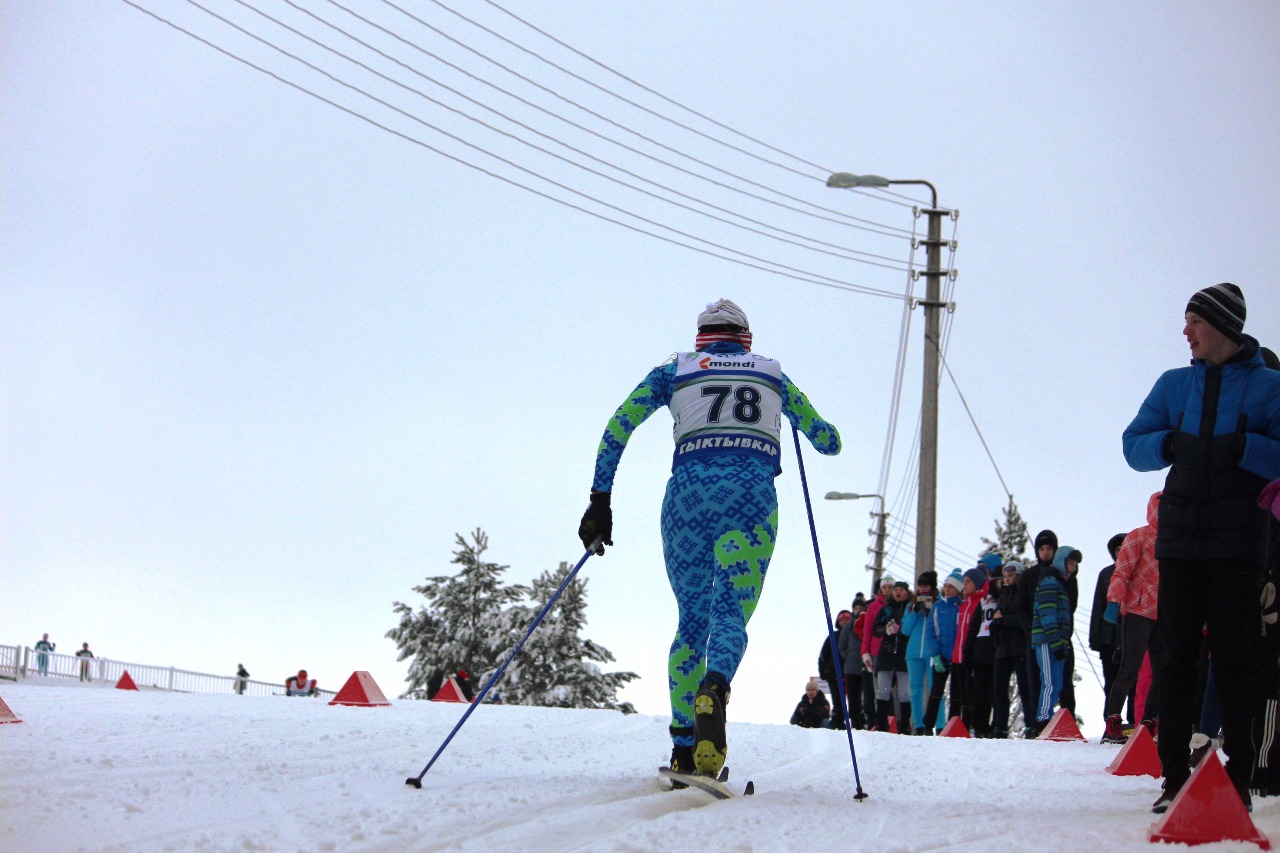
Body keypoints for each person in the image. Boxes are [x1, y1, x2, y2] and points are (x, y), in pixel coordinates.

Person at [577, 299, 841, 780]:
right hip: (750, 500)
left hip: (686, 501)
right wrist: (804, 423)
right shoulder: (772, 374)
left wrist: (600, 500)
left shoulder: (673, 371)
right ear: (745, 338)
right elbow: (828, 441)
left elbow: (618, 426)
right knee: (730, 614)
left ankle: (683, 748)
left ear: (702, 336)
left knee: (691, 622)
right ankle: (715, 687)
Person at [1122, 282, 1280, 813]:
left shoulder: (1270, 387)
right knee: (1176, 659)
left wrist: (1246, 447)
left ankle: (1239, 782)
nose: (1186, 331)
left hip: (1239, 544)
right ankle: (1173, 779)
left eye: (1195, 321)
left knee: (1235, 661)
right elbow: (1133, 445)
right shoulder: (1174, 385)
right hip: (1180, 542)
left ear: (1224, 327)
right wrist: (1169, 443)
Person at [1102, 493, 1163, 744]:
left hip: (1163, 614)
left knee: (1161, 671)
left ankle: (1149, 722)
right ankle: (1112, 723)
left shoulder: (1176, 540)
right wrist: (1114, 601)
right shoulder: (1139, 536)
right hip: (1138, 610)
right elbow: (1122, 570)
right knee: (1129, 669)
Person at [1029, 551, 1072, 736]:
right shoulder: (1049, 583)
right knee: (1049, 681)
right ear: (1061, 562)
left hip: (1056, 642)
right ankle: (1042, 719)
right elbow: (1047, 616)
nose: (1073, 568)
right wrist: (1055, 643)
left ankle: (1047, 717)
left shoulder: (1059, 585)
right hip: (1047, 641)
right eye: (1071, 563)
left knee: (1057, 682)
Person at [1090, 533, 1130, 726]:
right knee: (1111, 682)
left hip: (1131, 636)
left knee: (1133, 682)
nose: (1121, 552)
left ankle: (1134, 722)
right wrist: (1095, 639)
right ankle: (1110, 721)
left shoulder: (1138, 572)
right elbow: (1098, 607)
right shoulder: (1105, 574)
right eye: (1117, 549)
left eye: (1124, 548)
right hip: (1108, 639)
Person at [990, 561, 1031, 738]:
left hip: (1019, 646)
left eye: (1011, 575)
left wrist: (1003, 620)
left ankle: (1030, 724)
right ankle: (1000, 726)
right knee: (999, 689)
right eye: (1005, 576)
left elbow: (1023, 620)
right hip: (1003, 647)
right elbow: (996, 620)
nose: (1007, 579)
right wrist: (996, 625)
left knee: (1024, 687)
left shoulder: (1023, 594)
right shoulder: (1002, 596)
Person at [872, 581, 919, 734]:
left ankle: (905, 725)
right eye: (896, 589)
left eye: (901, 590)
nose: (898, 592)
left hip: (904, 654)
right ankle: (881, 724)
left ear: (907, 592)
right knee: (883, 690)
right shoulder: (886, 609)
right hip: (886, 654)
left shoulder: (910, 608)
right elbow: (875, 629)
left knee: (905, 692)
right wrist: (886, 630)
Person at [923, 569, 963, 730]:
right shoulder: (938, 606)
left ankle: (953, 725)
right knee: (936, 692)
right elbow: (930, 632)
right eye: (946, 586)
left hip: (957, 657)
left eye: (951, 586)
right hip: (941, 655)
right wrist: (935, 654)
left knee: (956, 694)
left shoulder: (961, 606)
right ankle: (928, 726)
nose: (947, 589)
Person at [962, 569, 999, 737]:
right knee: (980, 691)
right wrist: (968, 650)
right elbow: (973, 627)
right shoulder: (985, 601)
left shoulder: (1002, 599)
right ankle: (979, 726)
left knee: (992, 691)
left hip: (996, 649)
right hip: (982, 649)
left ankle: (990, 726)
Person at [906, 571, 937, 734]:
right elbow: (905, 630)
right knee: (915, 690)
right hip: (913, 652)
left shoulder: (939, 602)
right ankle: (918, 725)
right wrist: (914, 613)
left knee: (935, 688)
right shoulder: (911, 605)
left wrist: (930, 611)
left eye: (926, 586)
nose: (923, 589)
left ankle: (939, 724)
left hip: (932, 652)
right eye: (921, 586)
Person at [818, 610, 852, 728]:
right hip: (835, 675)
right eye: (842, 620)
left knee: (854, 701)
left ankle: (856, 723)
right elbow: (823, 655)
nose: (845, 622)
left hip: (852, 674)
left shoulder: (854, 635)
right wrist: (823, 671)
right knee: (838, 701)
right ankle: (838, 722)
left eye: (847, 620)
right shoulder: (833, 636)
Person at [838, 597, 867, 730]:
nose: (858, 610)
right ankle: (855, 723)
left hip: (866, 666)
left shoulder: (868, 623)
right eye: (856, 608)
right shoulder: (848, 627)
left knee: (866, 696)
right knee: (853, 697)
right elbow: (842, 646)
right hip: (850, 668)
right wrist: (850, 656)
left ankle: (865, 721)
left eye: (860, 608)